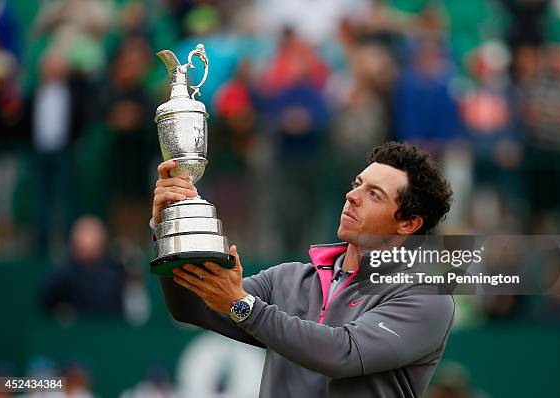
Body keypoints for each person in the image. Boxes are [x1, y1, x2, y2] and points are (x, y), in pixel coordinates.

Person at [151, 142, 455, 397]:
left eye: (374, 195)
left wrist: (243, 306)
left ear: (408, 224)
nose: (352, 197)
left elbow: (343, 353)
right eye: (357, 185)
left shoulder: (427, 296)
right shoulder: (288, 279)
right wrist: (170, 224)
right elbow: (192, 306)